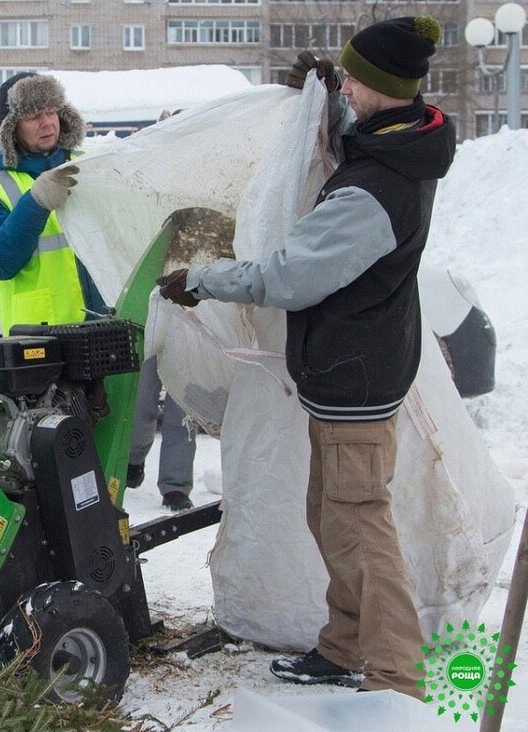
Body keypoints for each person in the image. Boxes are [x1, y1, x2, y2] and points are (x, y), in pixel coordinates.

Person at [158, 16, 454, 698]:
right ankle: (344, 642)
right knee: (334, 517)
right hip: (355, 368)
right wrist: (324, 102)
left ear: (384, 87)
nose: (347, 85)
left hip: (357, 379)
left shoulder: (374, 192)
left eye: (355, 78)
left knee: (360, 528)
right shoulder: (399, 144)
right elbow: (355, 141)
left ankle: (396, 675)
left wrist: (204, 278)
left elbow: (289, 277)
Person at [0, 72, 105, 332]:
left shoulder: (87, 166)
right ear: (11, 129)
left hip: (105, 331)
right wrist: (36, 203)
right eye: (33, 116)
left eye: (51, 112)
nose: (47, 123)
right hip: (40, 343)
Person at [127, 357, 196, 512]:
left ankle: (176, 486)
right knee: (140, 399)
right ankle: (133, 458)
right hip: (147, 335)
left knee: (182, 411)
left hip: (188, 338)